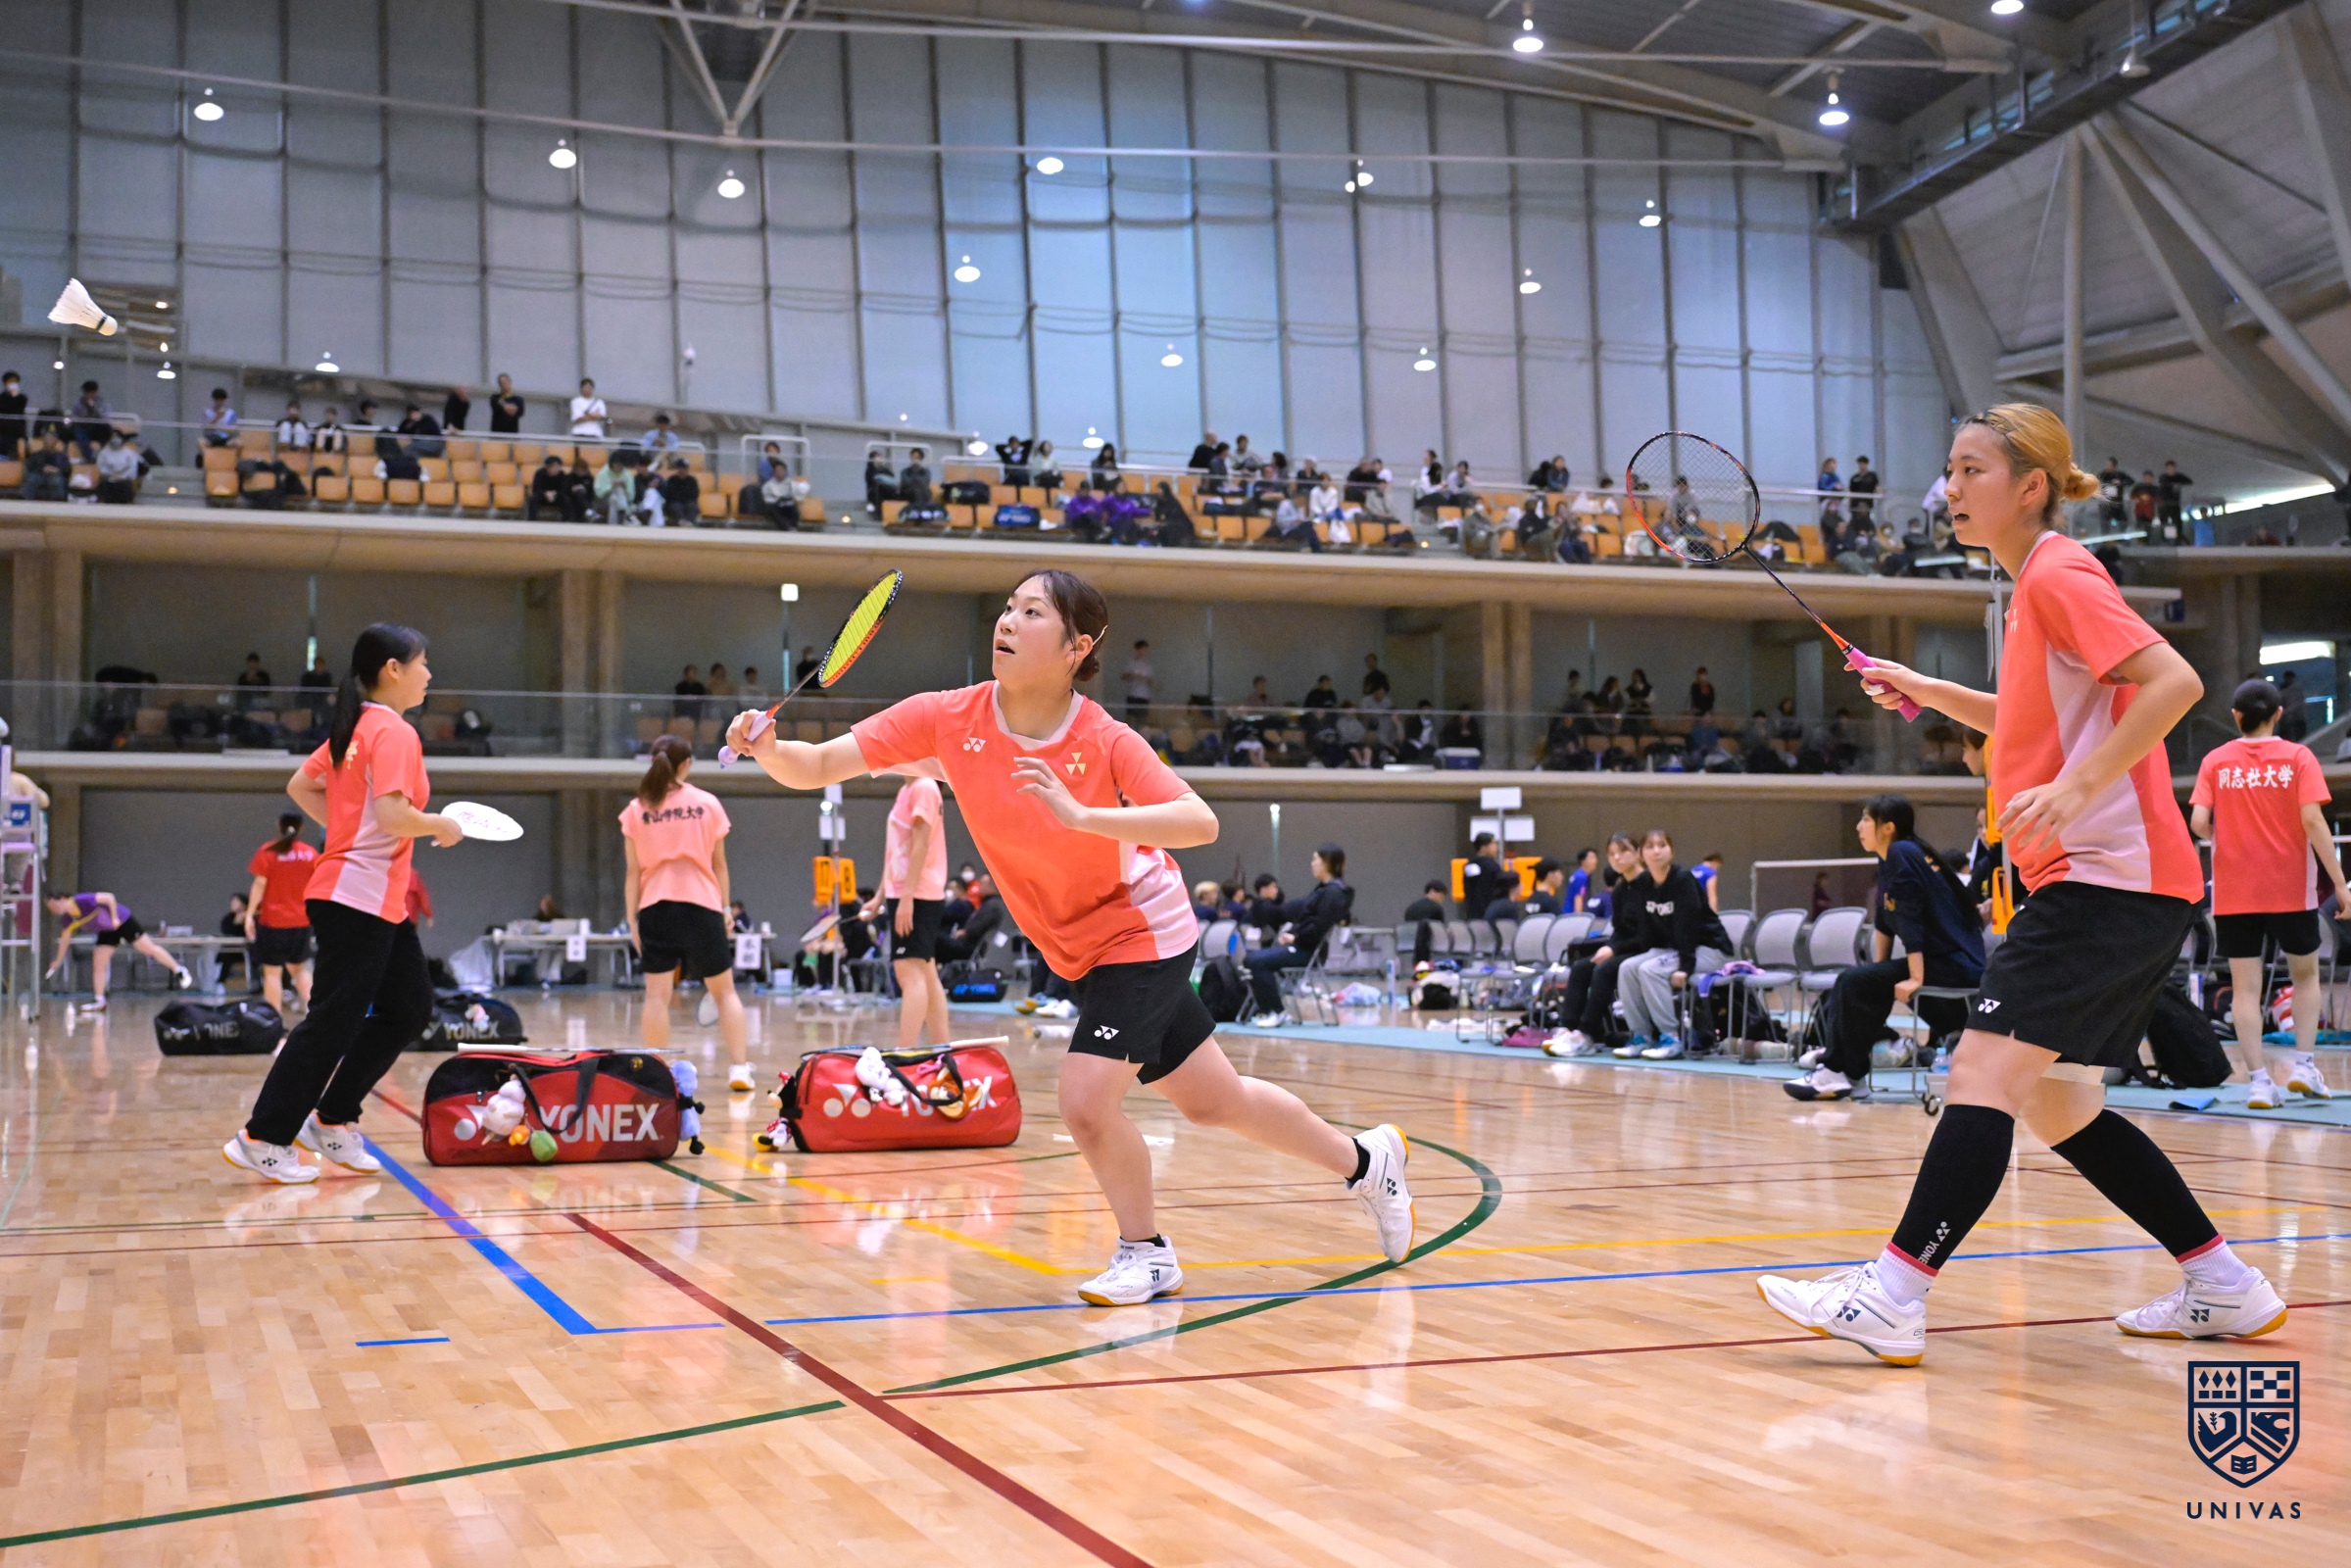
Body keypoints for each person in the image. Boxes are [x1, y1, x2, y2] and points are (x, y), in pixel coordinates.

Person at [726, 568, 1414, 1306]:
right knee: (1214, 1101)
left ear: (1075, 647)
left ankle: (1146, 1254)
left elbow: (1199, 821)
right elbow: (817, 764)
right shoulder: (945, 717)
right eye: (1007, 608)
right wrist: (768, 748)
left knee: (1086, 1102)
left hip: (1140, 930)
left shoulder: (1103, 739)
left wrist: (1085, 817)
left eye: (1032, 612)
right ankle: (1366, 1162)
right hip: (1075, 948)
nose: (1007, 621)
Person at [1758, 402, 2282, 1365]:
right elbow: (2030, 716)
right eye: (1949, 470)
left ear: (2029, 484)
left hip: (2105, 878)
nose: (1949, 488)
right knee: (2056, 1106)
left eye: (1971, 470)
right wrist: (1923, 687)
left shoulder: (2056, 572)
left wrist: (2077, 785)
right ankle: (2224, 1284)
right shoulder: (2028, 586)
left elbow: (2173, 682)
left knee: (1979, 1074)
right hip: (2121, 885)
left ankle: (1892, 1294)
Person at [223, 624, 460, 1184]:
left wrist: (349, 830)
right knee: (333, 1020)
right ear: (393, 669)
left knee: (409, 1008)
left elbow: (301, 786)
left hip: (378, 899)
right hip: (357, 895)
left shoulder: (356, 728)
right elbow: (395, 816)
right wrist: (440, 825)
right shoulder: (393, 732)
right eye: (423, 663)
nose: (429, 674)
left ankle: (331, 1119)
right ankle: (263, 1136)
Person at [2191, 678, 2350, 1105]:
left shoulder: (2216, 761)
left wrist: (2225, 837)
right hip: (2290, 889)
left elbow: (2199, 823)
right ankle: (2303, 1065)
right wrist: (2339, 883)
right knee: (2305, 976)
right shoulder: (2298, 757)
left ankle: (2260, 1081)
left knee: (2245, 988)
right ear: (2279, 714)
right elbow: (2313, 821)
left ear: (2236, 716)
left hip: (2235, 892)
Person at [1784, 796, 1985, 1102]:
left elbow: (1911, 916)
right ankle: (1849, 1074)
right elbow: (1884, 921)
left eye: (1866, 819)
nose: (1858, 827)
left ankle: (1836, 1070)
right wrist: (1879, 971)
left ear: (1887, 827)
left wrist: (1915, 978)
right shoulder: (1892, 857)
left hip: (1956, 964)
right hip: (1940, 961)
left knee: (1852, 982)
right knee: (1863, 982)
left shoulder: (1903, 852)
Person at [622, 735, 754, 1091]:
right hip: (702, 906)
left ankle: (659, 1073)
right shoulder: (707, 804)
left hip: (655, 908)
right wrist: (725, 908)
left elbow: (633, 872)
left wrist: (632, 919)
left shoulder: (636, 809)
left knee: (656, 996)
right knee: (725, 992)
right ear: (687, 765)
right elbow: (719, 865)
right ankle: (739, 1069)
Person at [1608, 829, 1733, 1060]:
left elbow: (1689, 928)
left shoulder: (1683, 881)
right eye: (1650, 847)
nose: (1656, 851)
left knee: (1650, 969)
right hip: (1675, 950)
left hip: (1709, 949)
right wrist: (1647, 952)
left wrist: (1685, 967)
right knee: (1627, 967)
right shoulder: (1643, 883)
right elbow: (1647, 927)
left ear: (1671, 852)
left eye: (1662, 845)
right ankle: (1641, 1036)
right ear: (1641, 854)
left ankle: (1670, 1037)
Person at [863, 772, 953, 1052]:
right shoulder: (907, 789)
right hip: (905, 892)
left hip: (917, 893)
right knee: (926, 972)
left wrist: (907, 897)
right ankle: (942, 1051)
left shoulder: (924, 787)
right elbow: (895, 852)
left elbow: (920, 845)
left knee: (908, 971)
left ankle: (904, 1053)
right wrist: (880, 896)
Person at [1543, 835, 1646, 1055]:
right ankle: (1567, 1028)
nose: (1617, 857)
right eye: (1612, 853)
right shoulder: (1620, 890)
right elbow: (1620, 930)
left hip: (1647, 948)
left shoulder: (1650, 885)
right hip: (1626, 947)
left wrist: (1614, 949)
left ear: (1638, 853)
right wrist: (1609, 947)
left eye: (1623, 851)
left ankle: (1586, 1034)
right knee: (1581, 967)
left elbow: (1649, 932)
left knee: (1604, 970)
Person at [1243, 845, 1352, 1028]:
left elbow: (1319, 926)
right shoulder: (1324, 890)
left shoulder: (1334, 893)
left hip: (1307, 951)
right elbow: (1304, 918)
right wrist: (1292, 934)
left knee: (1256, 961)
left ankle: (1275, 1011)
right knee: (1252, 958)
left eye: (1315, 859)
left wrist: (1296, 938)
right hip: (1301, 945)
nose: (1312, 863)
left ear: (1326, 863)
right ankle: (1270, 1010)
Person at [46, 890, 197, 1010]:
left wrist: (114, 918)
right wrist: (58, 960)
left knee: (148, 949)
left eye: (54, 905)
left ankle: (179, 970)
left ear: (62, 899)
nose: (54, 910)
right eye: (50, 908)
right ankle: (100, 1001)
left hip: (122, 921)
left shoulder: (82, 900)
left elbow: (109, 897)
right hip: (107, 930)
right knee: (98, 962)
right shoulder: (68, 919)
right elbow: (65, 938)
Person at [244, 810, 319, 1015]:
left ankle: (275, 1022)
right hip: (302, 921)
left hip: (273, 922)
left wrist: (249, 914)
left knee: (272, 973)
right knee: (300, 970)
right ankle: (318, 1017)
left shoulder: (268, 851)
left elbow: (260, 884)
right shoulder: (310, 854)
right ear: (301, 827)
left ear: (279, 825)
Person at [1459, 830, 1507, 915]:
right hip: (1491, 910)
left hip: (1473, 911)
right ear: (1483, 847)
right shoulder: (1492, 866)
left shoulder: (1470, 865)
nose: (1496, 847)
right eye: (1493, 843)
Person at [1121, 640, 1153, 726]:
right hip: (1133, 694)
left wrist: (1146, 679)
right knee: (1130, 717)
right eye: (1142, 649)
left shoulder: (1147, 665)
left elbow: (1151, 681)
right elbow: (1123, 676)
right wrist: (1134, 676)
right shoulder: (1131, 663)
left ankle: (1141, 733)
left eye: (1145, 650)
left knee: (1143, 719)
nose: (1143, 652)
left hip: (1144, 695)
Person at [568, 377, 608, 441]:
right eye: (585, 387)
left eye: (589, 387)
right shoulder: (576, 401)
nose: (588, 389)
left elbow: (601, 416)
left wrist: (588, 414)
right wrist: (594, 415)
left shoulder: (599, 402)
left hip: (595, 433)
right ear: (581, 388)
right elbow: (577, 419)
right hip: (580, 433)